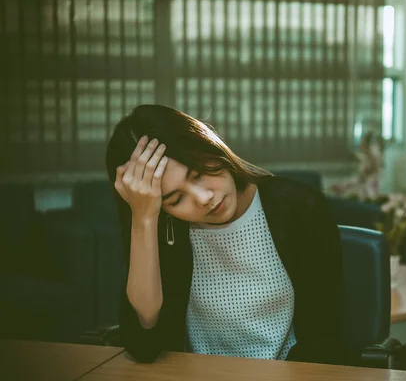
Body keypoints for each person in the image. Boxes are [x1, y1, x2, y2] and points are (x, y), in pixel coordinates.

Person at [105, 104, 350, 365]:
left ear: (210, 146)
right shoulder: (167, 228)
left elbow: (323, 341)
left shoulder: (299, 209)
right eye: (176, 199)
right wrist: (143, 219)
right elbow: (143, 345)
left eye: (198, 174)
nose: (203, 198)